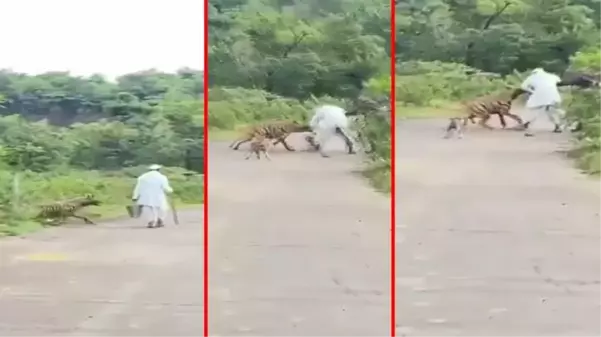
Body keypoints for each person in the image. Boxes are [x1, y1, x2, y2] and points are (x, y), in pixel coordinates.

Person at [517, 67, 566, 137]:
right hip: (553, 94)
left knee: (534, 111)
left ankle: (528, 127)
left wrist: (531, 91)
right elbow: (559, 82)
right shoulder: (552, 76)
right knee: (553, 110)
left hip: (539, 95)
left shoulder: (531, 77)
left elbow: (523, 86)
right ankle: (558, 126)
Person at [132, 164, 173, 228]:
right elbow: (166, 187)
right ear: (158, 170)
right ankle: (160, 220)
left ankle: (151, 221)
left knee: (148, 210)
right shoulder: (162, 177)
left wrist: (135, 196)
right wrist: (170, 190)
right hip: (158, 196)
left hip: (145, 197)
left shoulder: (142, 177)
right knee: (162, 209)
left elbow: (138, 188)